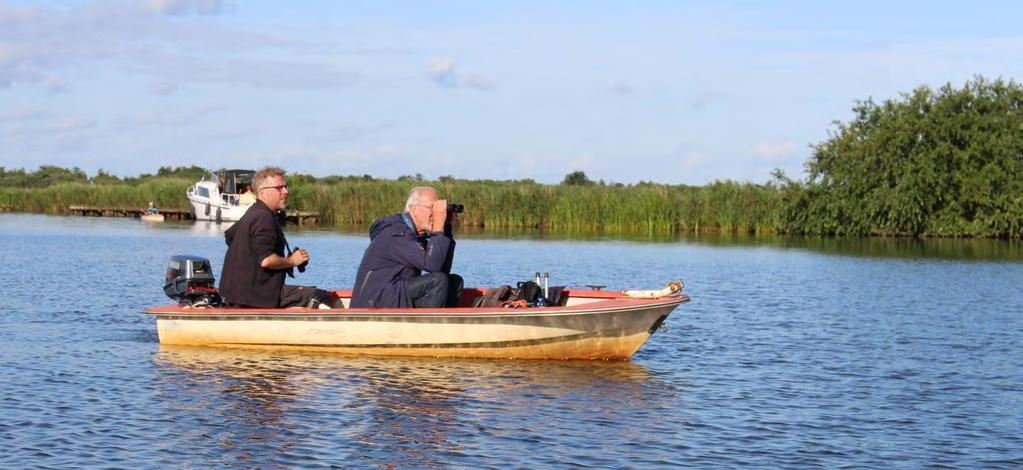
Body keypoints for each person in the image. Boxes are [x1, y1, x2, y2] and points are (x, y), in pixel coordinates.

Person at [219, 166, 336, 309]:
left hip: (237, 295)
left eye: (285, 187)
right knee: (321, 297)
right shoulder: (263, 217)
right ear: (262, 194)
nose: (286, 191)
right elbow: (266, 260)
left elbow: (230, 237)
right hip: (257, 297)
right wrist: (292, 260)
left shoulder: (254, 211)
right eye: (279, 188)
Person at [351, 186, 462, 308]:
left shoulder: (414, 235)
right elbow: (433, 266)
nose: (435, 213)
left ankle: (443, 323)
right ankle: (427, 325)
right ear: (413, 209)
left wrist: (446, 230)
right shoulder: (396, 234)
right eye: (432, 207)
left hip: (395, 294)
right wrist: (438, 228)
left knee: (454, 282)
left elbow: (441, 268)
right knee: (438, 281)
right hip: (375, 303)